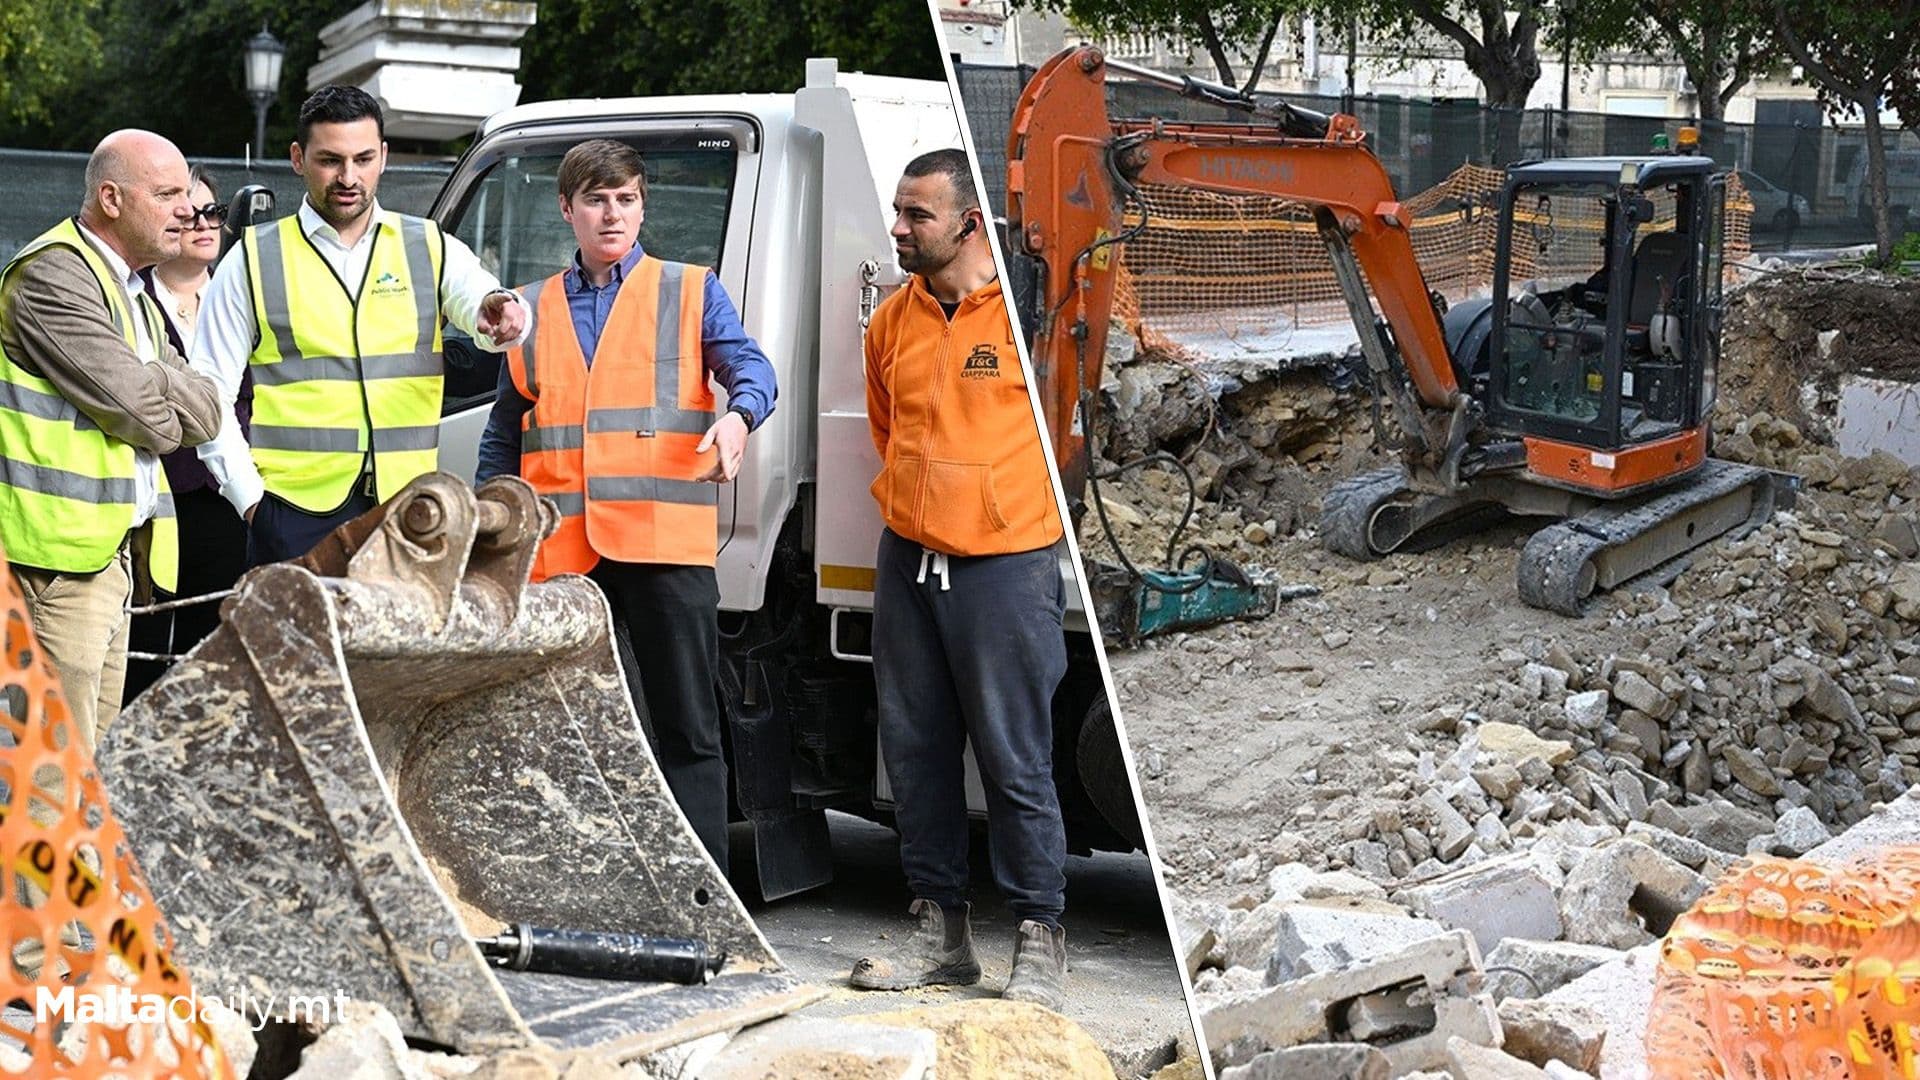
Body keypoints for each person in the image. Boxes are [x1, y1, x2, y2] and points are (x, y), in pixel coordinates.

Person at [477, 138, 776, 874]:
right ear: (567, 209)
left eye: (627, 199)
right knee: (571, 732)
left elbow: (750, 368)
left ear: (643, 204)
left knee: (687, 732)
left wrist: (738, 416)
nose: (613, 214)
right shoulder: (533, 307)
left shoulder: (688, 289)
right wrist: (496, 534)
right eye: (596, 200)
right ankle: (588, 880)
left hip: (663, 549)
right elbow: (504, 431)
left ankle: (700, 896)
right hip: (562, 560)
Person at [849, 149, 1071, 1009]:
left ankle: (1040, 934)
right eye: (898, 213)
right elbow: (885, 427)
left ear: (970, 223)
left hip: (1007, 566)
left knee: (1017, 759)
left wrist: (986, 509)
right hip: (909, 560)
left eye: (918, 216)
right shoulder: (893, 323)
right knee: (915, 753)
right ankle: (941, 934)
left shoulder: (1024, 320)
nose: (899, 230)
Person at [194, 85, 530, 565]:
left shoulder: (428, 246)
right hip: (291, 512)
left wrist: (501, 309)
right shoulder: (251, 260)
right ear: (297, 158)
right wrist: (249, 501)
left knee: (398, 644)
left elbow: (484, 301)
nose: (349, 177)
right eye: (330, 160)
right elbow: (208, 396)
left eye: (363, 159)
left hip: (409, 510)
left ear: (384, 157)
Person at [0, 130, 224, 747]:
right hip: (52, 569)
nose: (189, 208)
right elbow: (150, 420)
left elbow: (208, 415)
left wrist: (144, 379)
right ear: (111, 198)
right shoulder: (53, 277)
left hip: (105, 561)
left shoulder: (133, 293)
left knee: (86, 768)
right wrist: (155, 381)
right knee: (48, 775)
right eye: (168, 193)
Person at [125, 165, 245, 699]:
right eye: (187, 212)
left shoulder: (242, 296)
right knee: (144, 644)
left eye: (213, 212)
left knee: (213, 643)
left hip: (232, 497)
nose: (202, 223)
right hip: (158, 499)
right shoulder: (133, 302)